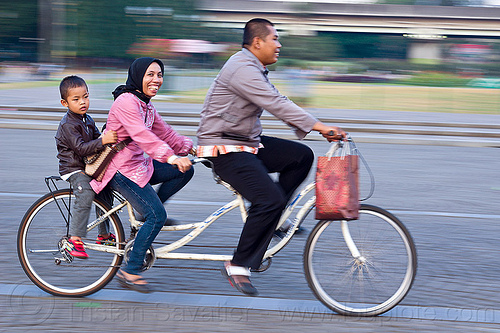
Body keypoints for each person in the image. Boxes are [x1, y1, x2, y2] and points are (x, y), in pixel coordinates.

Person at [196, 18, 346, 296]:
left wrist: (315, 127)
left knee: (300, 156)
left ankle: (272, 216)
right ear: (257, 43)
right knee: (269, 199)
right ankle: (238, 264)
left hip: (245, 142)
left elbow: (279, 99)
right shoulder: (242, 68)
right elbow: (275, 103)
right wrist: (320, 126)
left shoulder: (253, 67)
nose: (279, 44)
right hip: (223, 147)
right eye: (275, 39)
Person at [90, 57, 194, 293]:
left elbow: (166, 134)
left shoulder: (146, 105)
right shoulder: (127, 102)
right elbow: (142, 136)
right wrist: (171, 157)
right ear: (138, 76)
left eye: (159, 75)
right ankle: (131, 270)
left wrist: (190, 148)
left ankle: (142, 214)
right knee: (157, 215)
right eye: (150, 74)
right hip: (120, 170)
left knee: (184, 171)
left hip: (141, 166)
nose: (156, 79)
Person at [55, 75, 118, 259]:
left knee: (105, 192)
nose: (82, 102)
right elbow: (81, 149)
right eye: (76, 99)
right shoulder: (68, 124)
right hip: (73, 168)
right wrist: (102, 141)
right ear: (64, 103)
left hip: (89, 167)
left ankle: (104, 234)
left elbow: (98, 139)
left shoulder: (87, 118)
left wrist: (108, 137)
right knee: (87, 193)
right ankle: (74, 239)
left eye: (86, 96)